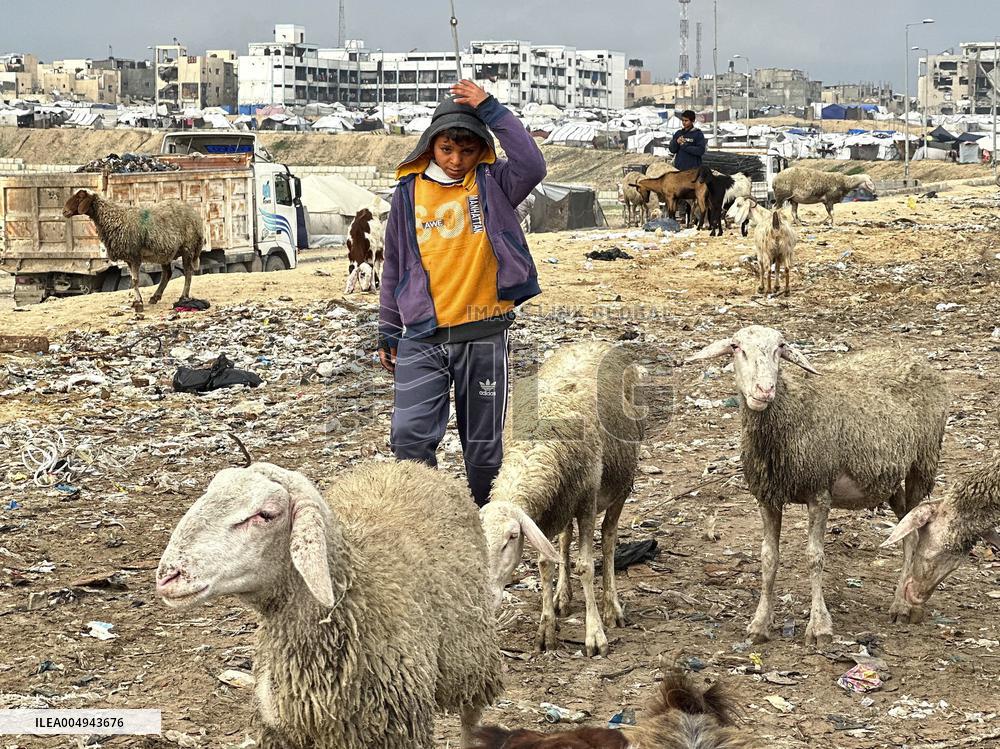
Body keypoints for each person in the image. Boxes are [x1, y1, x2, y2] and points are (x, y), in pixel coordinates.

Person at [377, 79, 547, 506]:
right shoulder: (408, 192)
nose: (456, 161)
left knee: (484, 451)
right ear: (430, 145)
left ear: (482, 150)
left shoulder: (493, 182)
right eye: (447, 150)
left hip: (483, 334)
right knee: (409, 438)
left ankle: (486, 532)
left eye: (467, 151)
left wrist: (489, 108)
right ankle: (433, 525)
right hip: (422, 336)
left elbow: (532, 164)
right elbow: (394, 263)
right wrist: (388, 328)